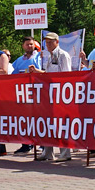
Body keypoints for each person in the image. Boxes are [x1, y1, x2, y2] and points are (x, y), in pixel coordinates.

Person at [31, 32, 73, 162]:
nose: (48, 44)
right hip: (50, 94)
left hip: (60, 95)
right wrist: (38, 72)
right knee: (49, 123)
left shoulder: (63, 55)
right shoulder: (49, 57)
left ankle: (65, 153)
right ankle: (48, 152)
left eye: (50, 42)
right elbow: (49, 74)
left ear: (57, 42)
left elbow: (67, 76)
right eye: (46, 42)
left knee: (62, 124)